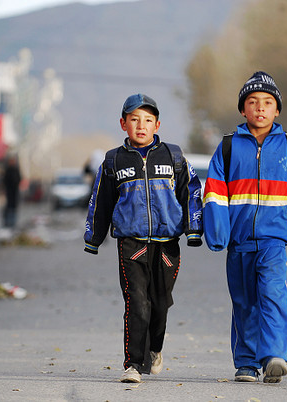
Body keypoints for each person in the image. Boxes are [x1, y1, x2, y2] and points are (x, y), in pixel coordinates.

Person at [203, 71, 287, 383]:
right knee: (244, 303)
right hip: (239, 243)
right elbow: (214, 193)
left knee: (273, 294)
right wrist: (217, 233)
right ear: (243, 109)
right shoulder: (227, 148)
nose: (260, 108)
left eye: (267, 102)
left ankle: (274, 356)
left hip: (272, 241)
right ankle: (246, 363)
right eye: (252, 102)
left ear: (277, 109)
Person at [83, 93, 203, 383]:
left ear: (157, 124)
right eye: (134, 119)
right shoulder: (113, 161)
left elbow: (191, 193)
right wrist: (93, 237)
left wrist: (194, 229)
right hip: (131, 243)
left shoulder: (174, 157)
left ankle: (155, 349)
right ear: (123, 124)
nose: (141, 125)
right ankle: (133, 364)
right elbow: (101, 201)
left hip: (166, 244)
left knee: (160, 303)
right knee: (137, 302)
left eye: (147, 120)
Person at [2, 154, 21, 228]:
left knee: (14, 207)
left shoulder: (16, 170)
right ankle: (8, 222)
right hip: (9, 192)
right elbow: (5, 181)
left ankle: (13, 222)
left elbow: (19, 179)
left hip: (15, 192)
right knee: (9, 207)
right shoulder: (8, 170)